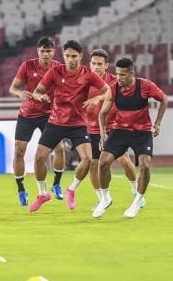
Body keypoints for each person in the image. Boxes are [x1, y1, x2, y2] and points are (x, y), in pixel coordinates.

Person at [27, 39, 110, 212]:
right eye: (67, 56)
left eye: (74, 56)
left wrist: (96, 98)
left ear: (80, 56)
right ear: (63, 56)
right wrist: (40, 96)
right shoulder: (55, 71)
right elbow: (37, 91)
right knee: (39, 158)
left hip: (78, 124)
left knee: (87, 159)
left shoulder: (88, 74)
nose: (70, 59)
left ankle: (71, 189)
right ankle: (43, 193)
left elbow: (108, 91)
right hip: (56, 122)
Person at [92, 57, 168, 219]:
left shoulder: (145, 86)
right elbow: (103, 113)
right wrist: (103, 134)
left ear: (132, 74)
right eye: (117, 74)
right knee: (103, 162)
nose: (119, 78)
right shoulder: (113, 89)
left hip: (142, 132)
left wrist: (158, 123)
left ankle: (136, 202)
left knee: (145, 166)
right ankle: (105, 199)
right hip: (120, 130)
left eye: (123, 75)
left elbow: (164, 99)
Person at [8, 36, 67, 206]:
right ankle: (21, 189)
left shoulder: (59, 68)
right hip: (27, 114)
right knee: (19, 151)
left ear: (54, 52)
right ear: (38, 51)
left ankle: (56, 184)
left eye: (49, 51)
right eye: (43, 51)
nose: (46, 54)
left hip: (50, 114)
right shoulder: (27, 66)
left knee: (60, 149)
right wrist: (20, 94)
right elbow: (13, 88)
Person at [85, 49, 141, 205]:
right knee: (94, 164)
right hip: (91, 128)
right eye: (94, 63)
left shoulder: (115, 81)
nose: (96, 67)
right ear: (89, 64)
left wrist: (99, 97)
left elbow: (115, 93)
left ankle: (135, 191)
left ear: (106, 65)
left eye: (99, 64)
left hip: (115, 126)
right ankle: (102, 199)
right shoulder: (83, 82)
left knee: (123, 159)